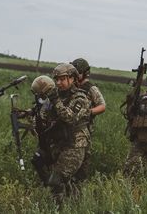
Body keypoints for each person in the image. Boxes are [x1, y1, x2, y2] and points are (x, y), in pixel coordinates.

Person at [31, 64, 91, 203]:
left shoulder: (80, 98)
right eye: (56, 79)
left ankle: (57, 207)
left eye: (62, 79)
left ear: (72, 78)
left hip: (75, 144)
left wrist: (55, 100)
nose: (58, 83)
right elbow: (43, 115)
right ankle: (74, 204)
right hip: (58, 143)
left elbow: (69, 117)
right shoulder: (53, 97)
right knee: (43, 166)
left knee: (56, 180)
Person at [70, 58, 106, 181]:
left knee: (83, 161)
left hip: (84, 129)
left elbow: (102, 106)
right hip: (69, 127)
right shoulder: (71, 86)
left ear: (85, 73)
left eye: (77, 73)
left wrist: (88, 113)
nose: (75, 76)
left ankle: (79, 187)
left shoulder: (90, 88)